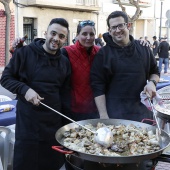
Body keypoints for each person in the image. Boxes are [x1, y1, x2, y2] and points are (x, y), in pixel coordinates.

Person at [0, 18, 71, 170]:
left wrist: (66, 129)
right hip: (28, 124)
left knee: (51, 165)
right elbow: (5, 79)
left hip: (53, 125)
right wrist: (25, 90)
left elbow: (65, 94)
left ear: (65, 39)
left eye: (61, 36)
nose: (56, 39)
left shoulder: (64, 62)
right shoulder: (25, 53)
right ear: (46, 33)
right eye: (53, 33)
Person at [91, 11, 160, 123]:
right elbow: (97, 86)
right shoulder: (103, 54)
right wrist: (103, 115)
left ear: (128, 25)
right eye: (113, 27)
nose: (117, 30)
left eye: (120, 25)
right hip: (114, 114)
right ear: (109, 30)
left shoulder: (144, 48)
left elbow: (155, 71)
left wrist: (152, 83)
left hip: (142, 113)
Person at [62, 20, 100, 122]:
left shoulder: (100, 52)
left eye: (91, 34)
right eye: (84, 34)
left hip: (96, 109)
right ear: (77, 35)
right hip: (74, 109)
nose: (88, 37)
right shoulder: (66, 52)